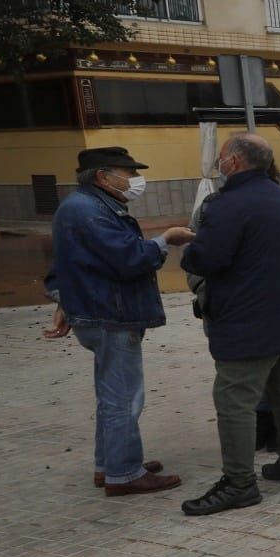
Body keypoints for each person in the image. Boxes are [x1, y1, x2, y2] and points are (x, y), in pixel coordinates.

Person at [42, 146, 195, 496]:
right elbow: (127, 259)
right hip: (111, 314)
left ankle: (110, 463)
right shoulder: (88, 210)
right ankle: (124, 474)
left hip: (100, 311)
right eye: (127, 173)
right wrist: (165, 240)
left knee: (111, 393)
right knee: (123, 398)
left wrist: (65, 303)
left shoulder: (84, 206)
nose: (133, 180)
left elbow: (67, 266)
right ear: (102, 176)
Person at [178, 133, 280, 517]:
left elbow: (206, 258)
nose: (220, 164)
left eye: (222, 157)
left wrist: (189, 249)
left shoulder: (228, 205)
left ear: (235, 162)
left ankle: (239, 483)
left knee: (235, 401)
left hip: (244, 321)